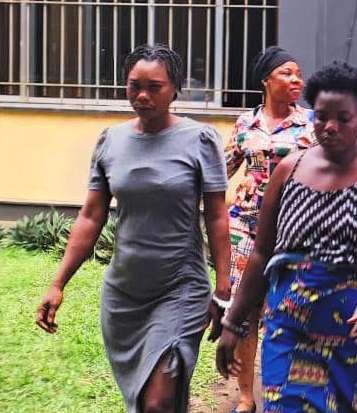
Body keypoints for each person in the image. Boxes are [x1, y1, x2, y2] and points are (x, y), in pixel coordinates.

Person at [35, 44, 231, 412]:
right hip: (125, 294)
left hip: (180, 287)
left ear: (175, 89)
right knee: (147, 401)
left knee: (158, 401)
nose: (142, 96)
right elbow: (91, 217)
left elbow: (217, 216)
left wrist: (223, 288)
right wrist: (58, 283)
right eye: (134, 86)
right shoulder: (111, 141)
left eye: (154, 87)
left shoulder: (200, 140)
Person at [216, 62, 357, 412]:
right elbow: (262, 252)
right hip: (293, 326)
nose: (330, 127)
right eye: (321, 117)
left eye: (343, 118)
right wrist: (234, 321)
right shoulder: (289, 169)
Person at [223, 46, 313, 413]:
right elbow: (222, 169)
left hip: (295, 229)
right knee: (245, 309)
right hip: (246, 225)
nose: (296, 80)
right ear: (266, 80)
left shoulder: (310, 123)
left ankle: (288, 388)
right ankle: (247, 396)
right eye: (286, 73)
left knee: (292, 309)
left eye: (298, 74)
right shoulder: (246, 123)